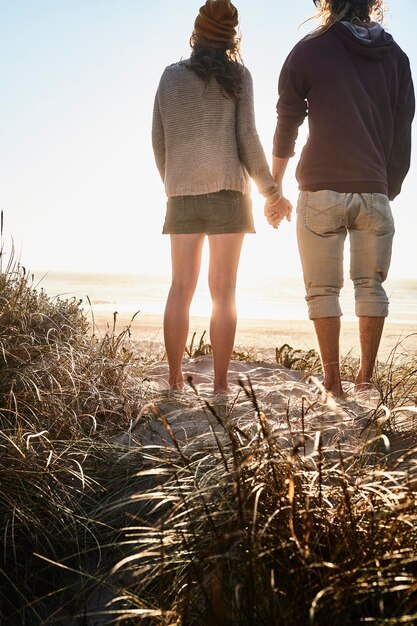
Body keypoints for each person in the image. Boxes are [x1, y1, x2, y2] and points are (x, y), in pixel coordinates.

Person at [266, 0, 415, 396]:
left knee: (321, 290)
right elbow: (403, 131)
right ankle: (366, 379)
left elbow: (287, 122)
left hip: (319, 190)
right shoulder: (397, 57)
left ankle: (333, 384)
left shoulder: (309, 49)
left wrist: (275, 187)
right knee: (371, 286)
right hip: (374, 189)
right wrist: (388, 186)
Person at [152, 0, 280, 394]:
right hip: (227, 193)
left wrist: (174, 183)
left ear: (196, 32)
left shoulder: (169, 78)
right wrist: (271, 191)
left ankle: (174, 380)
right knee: (223, 290)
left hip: (182, 194)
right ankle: (221, 385)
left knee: (180, 287)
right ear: (231, 38)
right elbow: (248, 141)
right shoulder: (239, 77)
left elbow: (159, 140)